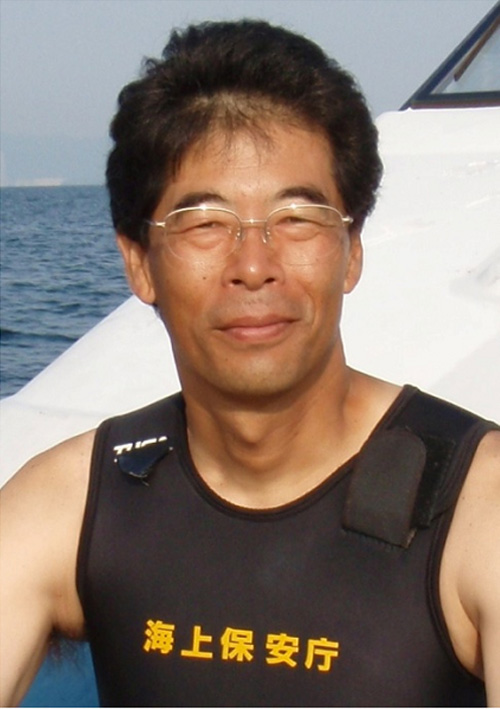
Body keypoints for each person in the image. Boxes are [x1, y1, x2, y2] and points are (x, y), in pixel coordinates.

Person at [0, 19, 499, 708]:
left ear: (351, 250)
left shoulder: (477, 505)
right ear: (139, 264)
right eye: (205, 224)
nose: (255, 265)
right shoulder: (73, 501)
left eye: (296, 218)